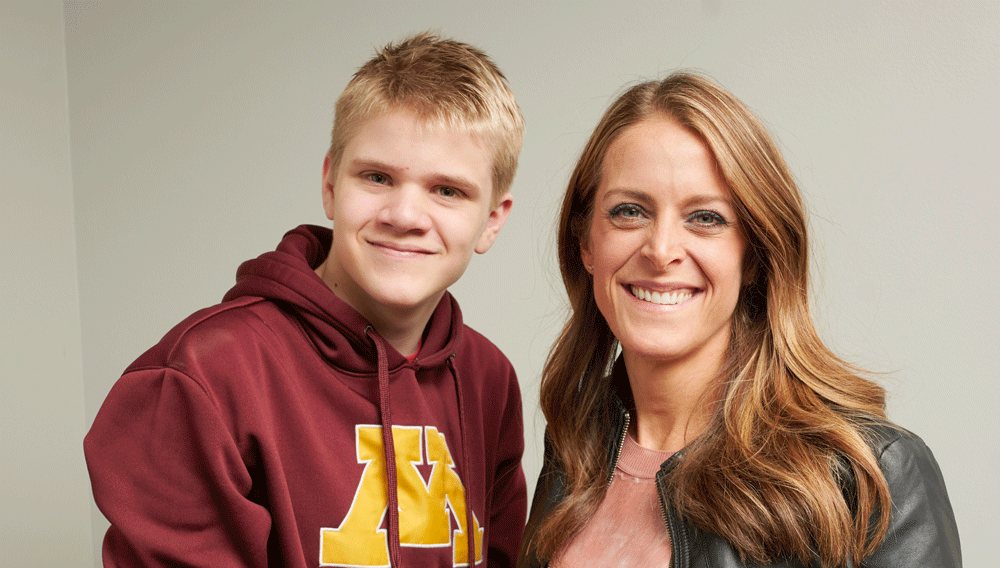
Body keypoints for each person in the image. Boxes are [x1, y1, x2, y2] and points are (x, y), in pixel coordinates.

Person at [85, 32, 527, 568]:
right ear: (331, 185)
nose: (405, 215)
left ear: (493, 221)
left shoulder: (489, 379)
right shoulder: (203, 375)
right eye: (377, 177)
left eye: (448, 190)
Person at [518, 72, 961, 567]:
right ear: (585, 244)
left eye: (706, 218)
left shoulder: (870, 476)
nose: (661, 250)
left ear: (753, 256)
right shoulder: (574, 443)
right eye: (629, 211)